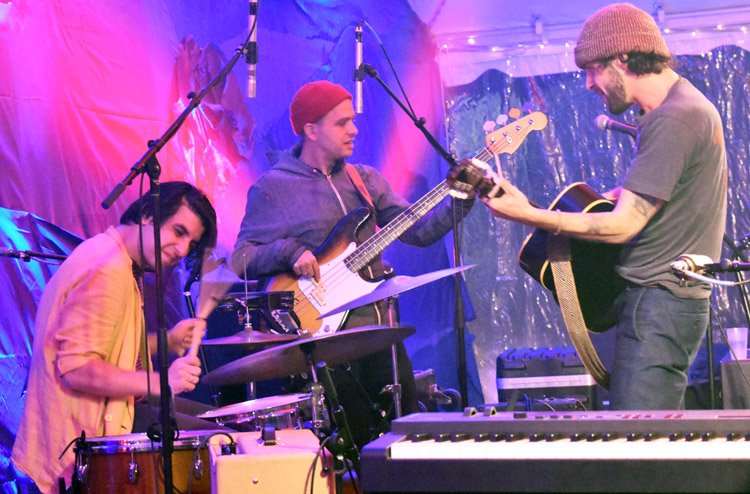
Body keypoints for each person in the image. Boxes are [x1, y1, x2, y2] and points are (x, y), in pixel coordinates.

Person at [480, 3, 727, 410]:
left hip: (658, 305)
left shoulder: (674, 118)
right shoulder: (681, 106)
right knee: (647, 433)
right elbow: (659, 191)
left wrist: (527, 214)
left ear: (622, 58)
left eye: (593, 69)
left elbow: (625, 225)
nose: (588, 83)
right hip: (665, 304)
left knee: (638, 440)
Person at [231, 80, 473, 448]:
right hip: (325, 344)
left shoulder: (365, 179)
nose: (354, 129)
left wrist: (462, 199)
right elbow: (241, 258)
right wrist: (288, 252)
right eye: (342, 122)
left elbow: (420, 231)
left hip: (380, 334)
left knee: (408, 441)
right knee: (354, 449)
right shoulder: (273, 188)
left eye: (353, 120)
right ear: (311, 130)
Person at [11, 181, 218, 493]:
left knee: (211, 424)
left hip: (92, 432)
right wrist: (162, 382)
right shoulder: (107, 269)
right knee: (221, 444)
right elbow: (77, 369)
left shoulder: (114, 258)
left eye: (192, 242)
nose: (183, 250)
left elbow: (104, 345)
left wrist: (168, 342)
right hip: (76, 453)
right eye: (178, 232)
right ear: (148, 215)